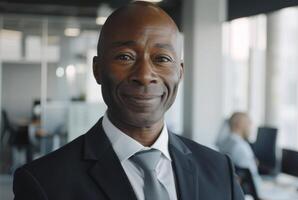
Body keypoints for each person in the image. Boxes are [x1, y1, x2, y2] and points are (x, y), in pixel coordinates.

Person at [13, 2, 244, 200]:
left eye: (162, 59)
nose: (144, 75)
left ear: (180, 72)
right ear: (97, 70)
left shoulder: (219, 170)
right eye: (125, 57)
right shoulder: (44, 183)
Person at [218, 112, 262, 192]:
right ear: (240, 124)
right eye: (249, 123)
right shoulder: (240, 146)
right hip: (253, 191)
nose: (250, 127)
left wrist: (251, 162)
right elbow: (250, 176)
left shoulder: (225, 142)